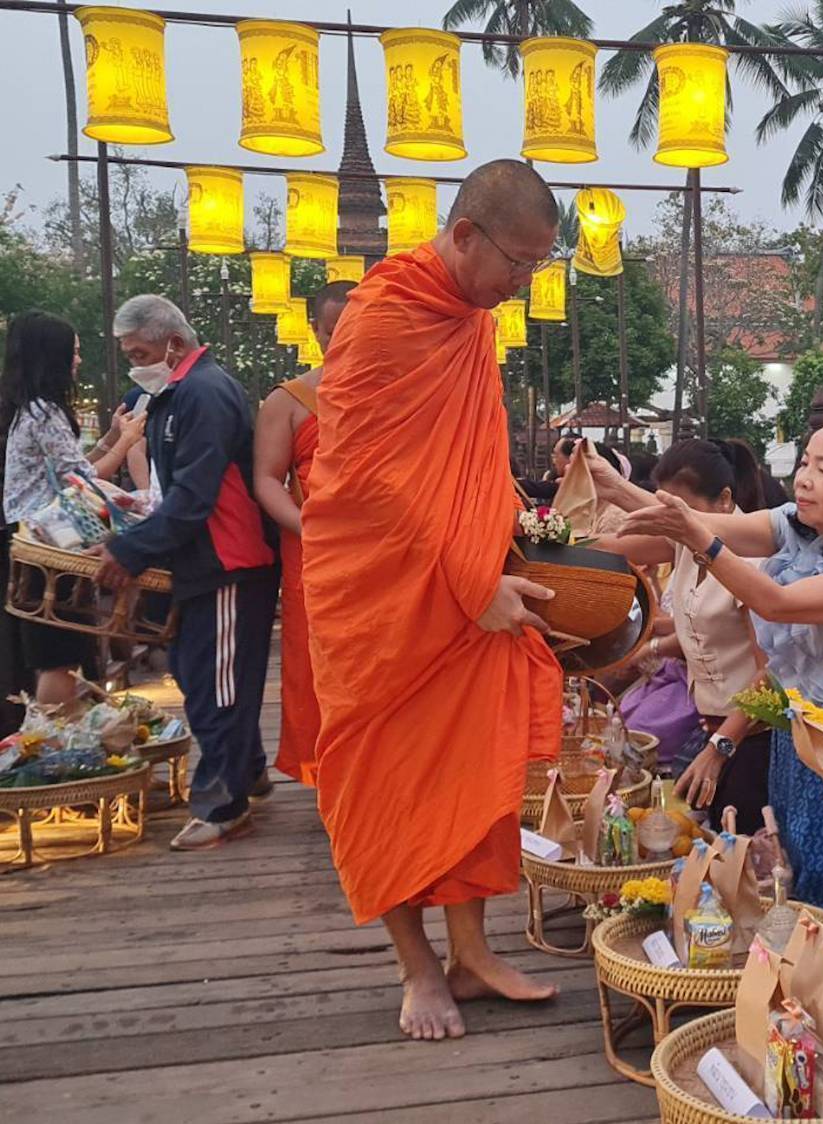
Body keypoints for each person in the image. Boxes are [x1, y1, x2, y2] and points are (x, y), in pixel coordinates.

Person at [301, 159, 562, 1042]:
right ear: (462, 236)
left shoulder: (470, 324)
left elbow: (468, 467)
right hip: (379, 595)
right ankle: (417, 969)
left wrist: (493, 560)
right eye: (519, 262)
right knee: (388, 778)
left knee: (470, 775)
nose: (525, 282)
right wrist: (470, 581)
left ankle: (473, 954)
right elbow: (374, 482)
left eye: (539, 267)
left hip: (464, 588)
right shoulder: (381, 317)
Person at [618, 418, 823, 915]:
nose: (804, 478)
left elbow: (776, 602)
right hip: (794, 734)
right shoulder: (797, 525)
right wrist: (611, 485)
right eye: (804, 462)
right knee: (792, 866)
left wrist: (700, 539)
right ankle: (792, 977)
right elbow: (713, 525)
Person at [92, 295, 278, 852]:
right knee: (203, 676)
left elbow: (194, 496)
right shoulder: (176, 392)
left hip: (229, 559)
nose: (135, 363)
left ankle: (224, 805)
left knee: (214, 685)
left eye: (141, 352)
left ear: (172, 341)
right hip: (206, 558)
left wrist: (131, 550)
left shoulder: (204, 392)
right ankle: (245, 773)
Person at [589, 437, 770, 830]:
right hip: (709, 727)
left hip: (753, 739)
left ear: (724, 500)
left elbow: (769, 674)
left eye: (679, 510)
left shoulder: (752, 561)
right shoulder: (683, 542)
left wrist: (720, 747)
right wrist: (544, 534)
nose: (669, 519)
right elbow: (610, 546)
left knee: (743, 858)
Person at [2, 310, 148, 703]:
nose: (78, 361)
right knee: (59, 657)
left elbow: (78, 468)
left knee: (60, 655)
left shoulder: (27, 410)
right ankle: (58, 751)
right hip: (48, 548)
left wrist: (114, 437)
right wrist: (127, 440)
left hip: (35, 544)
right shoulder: (45, 413)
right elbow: (80, 482)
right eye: (73, 353)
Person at [252, 281, 356, 786]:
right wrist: (310, 528)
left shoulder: (396, 394)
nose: (345, 342)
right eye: (335, 332)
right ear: (316, 332)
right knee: (316, 666)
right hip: (313, 553)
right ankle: (328, 774)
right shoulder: (288, 400)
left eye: (355, 331)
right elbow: (267, 481)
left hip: (383, 553)